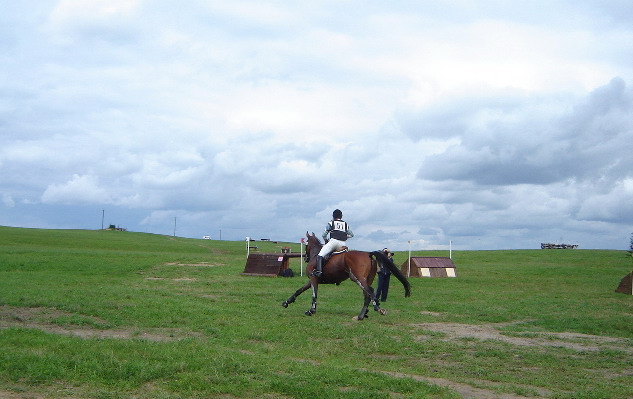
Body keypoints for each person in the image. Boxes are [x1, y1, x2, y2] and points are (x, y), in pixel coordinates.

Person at [312, 209, 354, 277]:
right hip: (343, 244)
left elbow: (324, 235)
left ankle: (319, 271)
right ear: (341, 216)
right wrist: (345, 237)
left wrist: (326, 240)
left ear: (333, 216)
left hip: (333, 242)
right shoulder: (345, 224)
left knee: (320, 255)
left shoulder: (331, 223)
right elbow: (352, 235)